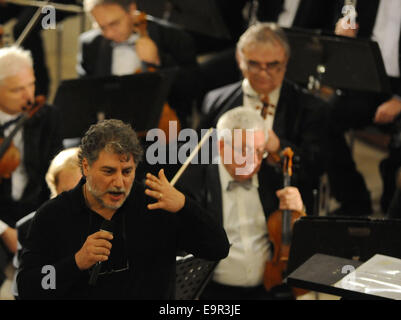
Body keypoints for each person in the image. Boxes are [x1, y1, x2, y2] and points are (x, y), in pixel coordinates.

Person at [16, 119, 229, 299]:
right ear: (86, 167)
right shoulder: (54, 215)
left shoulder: (157, 204)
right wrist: (75, 263)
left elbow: (218, 248)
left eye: (127, 171)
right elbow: (29, 287)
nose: (119, 182)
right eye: (109, 171)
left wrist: (185, 206)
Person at [200, 22, 328, 214]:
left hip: (280, 209)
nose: (263, 73)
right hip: (226, 204)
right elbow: (201, 159)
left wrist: (278, 147)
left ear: (285, 62)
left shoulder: (310, 108)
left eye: (272, 65)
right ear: (239, 58)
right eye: (253, 64)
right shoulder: (215, 100)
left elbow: (314, 169)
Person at [178, 107, 305, 300]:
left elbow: (295, 239)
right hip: (212, 293)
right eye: (243, 151)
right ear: (221, 147)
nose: (253, 161)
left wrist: (300, 211)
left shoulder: (273, 178)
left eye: (259, 152)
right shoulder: (194, 183)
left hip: (266, 290)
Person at [77, 0, 201, 127]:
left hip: (163, 132)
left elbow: (191, 91)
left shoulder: (174, 37)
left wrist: (160, 60)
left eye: (114, 23)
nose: (108, 33)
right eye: (101, 27)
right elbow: (85, 99)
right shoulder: (90, 44)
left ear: (131, 9)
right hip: (111, 131)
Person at [330, 0, 401, 215]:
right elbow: (348, 11)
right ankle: (354, 197)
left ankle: (391, 198)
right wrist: (343, 28)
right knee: (326, 116)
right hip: (370, 78)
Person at [0, 46, 62, 288]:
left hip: (36, 211)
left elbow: (53, 178)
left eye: (31, 85)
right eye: (17, 89)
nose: (28, 97)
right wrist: (4, 231)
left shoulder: (48, 116)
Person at [12, 147, 82, 299]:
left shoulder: (106, 222)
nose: (72, 200)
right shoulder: (28, 227)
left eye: (79, 192)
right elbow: (23, 289)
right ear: (54, 189)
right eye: (66, 193)